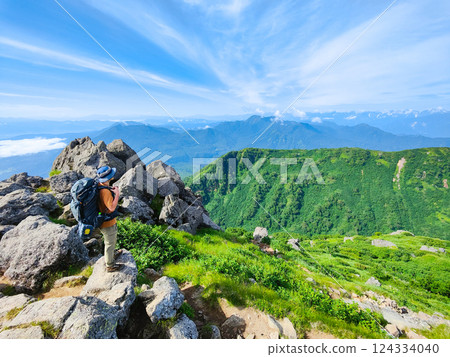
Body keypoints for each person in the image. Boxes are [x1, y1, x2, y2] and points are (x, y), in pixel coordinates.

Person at [97, 166, 122, 272]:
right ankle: (110, 265)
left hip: (105, 220)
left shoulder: (99, 186)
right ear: (109, 177)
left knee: (111, 241)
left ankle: (111, 255)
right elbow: (111, 208)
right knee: (109, 243)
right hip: (107, 223)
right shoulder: (105, 192)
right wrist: (117, 194)